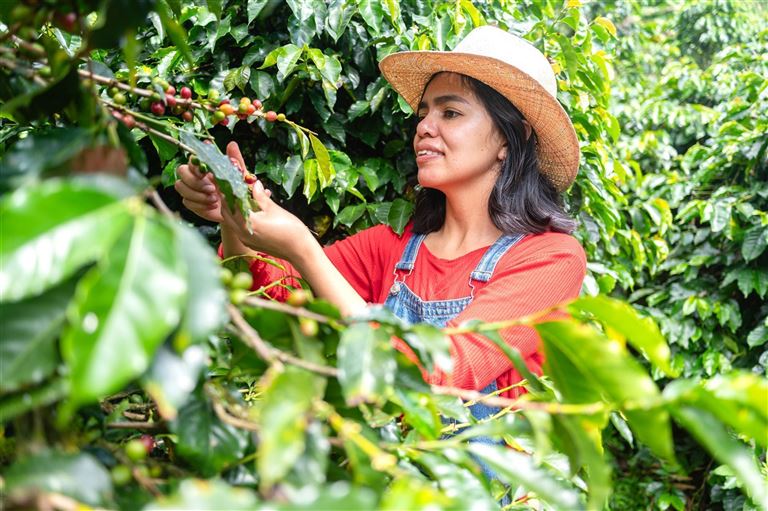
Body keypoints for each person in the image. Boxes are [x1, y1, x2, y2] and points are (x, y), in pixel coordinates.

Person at [175, 24, 586, 471]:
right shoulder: (389, 247)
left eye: (450, 113)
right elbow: (271, 300)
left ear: (512, 138)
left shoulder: (551, 259)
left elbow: (438, 374)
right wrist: (236, 218)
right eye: (425, 112)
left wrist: (305, 249)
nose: (424, 127)